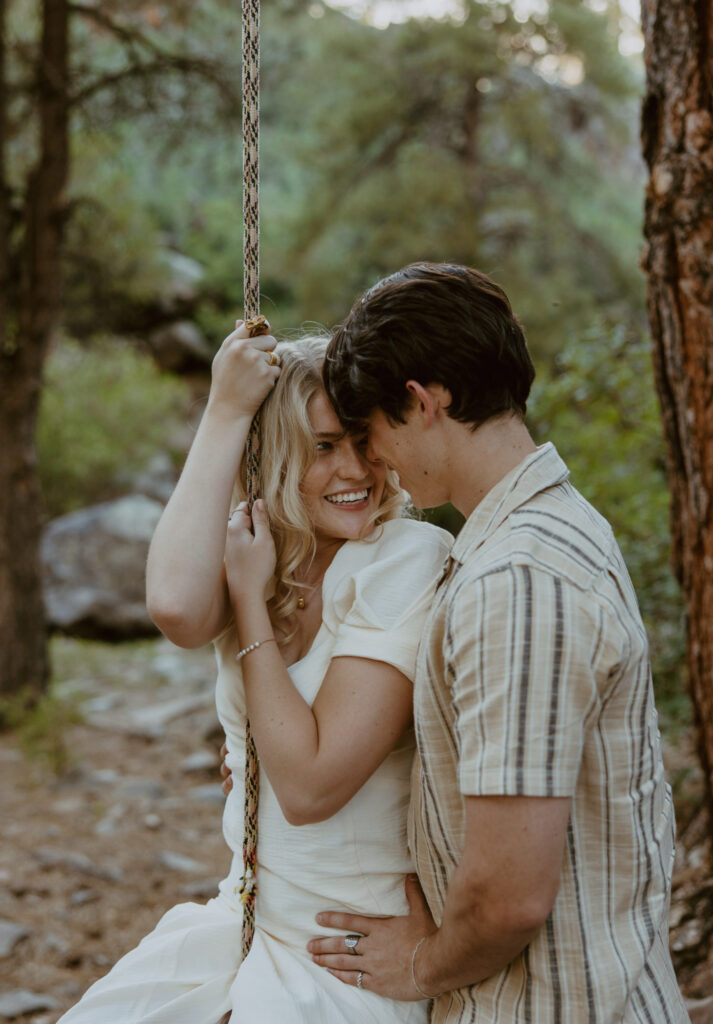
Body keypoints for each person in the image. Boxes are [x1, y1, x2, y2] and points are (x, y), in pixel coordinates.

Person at [308, 263, 688, 1023]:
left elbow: (510, 898)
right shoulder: (545, 529)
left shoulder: (516, 580)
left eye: (372, 432)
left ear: (421, 401)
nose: (370, 460)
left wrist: (418, 965)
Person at [56, 322, 451, 1024]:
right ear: (271, 456)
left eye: (364, 442)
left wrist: (248, 605)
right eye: (323, 447)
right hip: (243, 918)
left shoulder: (404, 556)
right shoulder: (262, 553)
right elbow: (175, 608)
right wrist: (226, 410)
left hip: (343, 947)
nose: (355, 470)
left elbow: (308, 787)